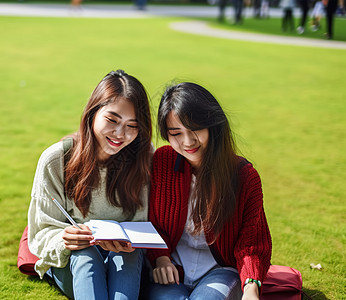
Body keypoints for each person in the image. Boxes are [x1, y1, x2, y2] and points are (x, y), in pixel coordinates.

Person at [27, 70, 152, 300]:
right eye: (112, 120)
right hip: (73, 262)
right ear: (92, 113)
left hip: (125, 259)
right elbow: (41, 233)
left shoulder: (143, 158)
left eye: (131, 125)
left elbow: (143, 222)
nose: (120, 134)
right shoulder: (56, 160)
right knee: (86, 254)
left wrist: (129, 240)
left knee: (129, 257)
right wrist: (65, 238)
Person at [146, 82, 272, 300]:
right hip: (171, 269)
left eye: (194, 129)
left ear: (212, 125)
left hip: (221, 271)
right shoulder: (162, 162)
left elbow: (251, 244)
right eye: (176, 133)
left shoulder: (244, 176)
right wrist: (161, 258)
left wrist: (251, 287)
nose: (187, 142)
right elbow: (153, 224)